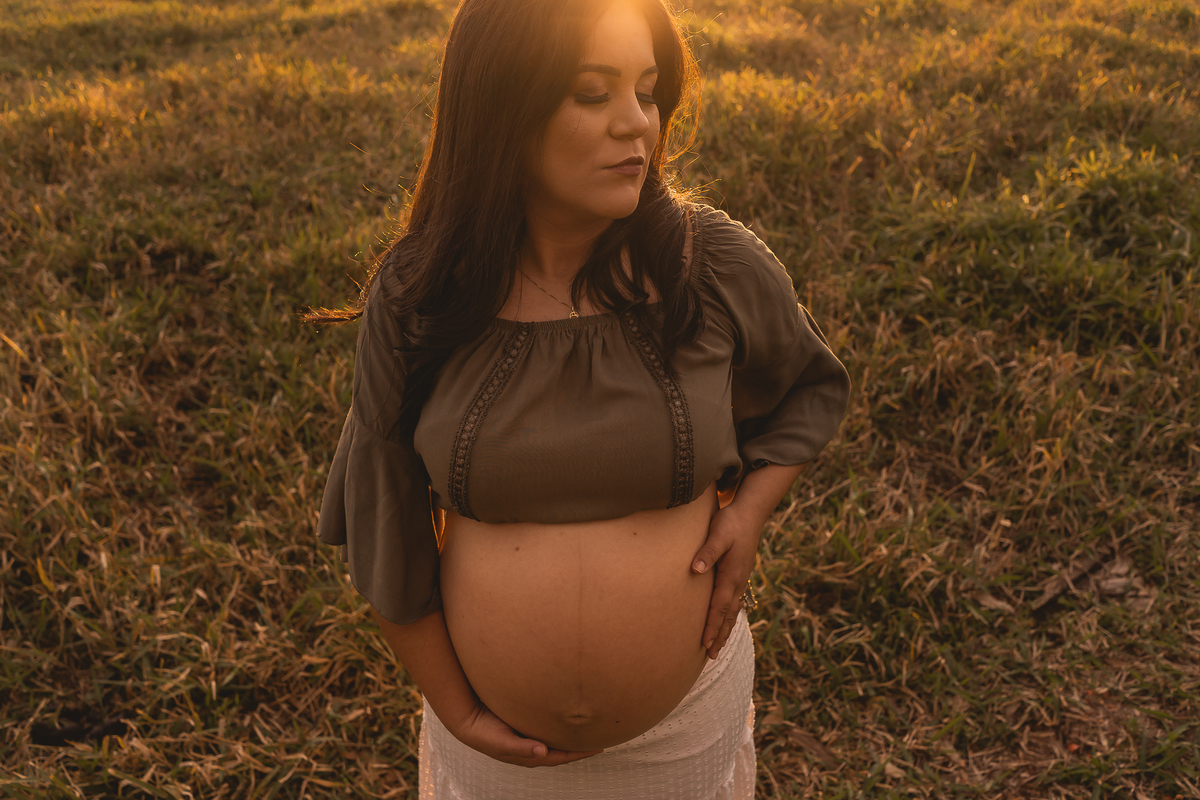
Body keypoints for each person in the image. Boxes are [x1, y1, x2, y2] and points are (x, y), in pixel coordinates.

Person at [310, 0, 851, 796]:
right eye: (593, 94)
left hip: (682, 730)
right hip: (497, 753)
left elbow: (808, 387)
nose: (637, 124)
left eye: (647, 89)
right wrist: (458, 712)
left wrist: (747, 514)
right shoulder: (423, 297)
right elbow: (383, 515)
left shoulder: (709, 266)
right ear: (504, 108)